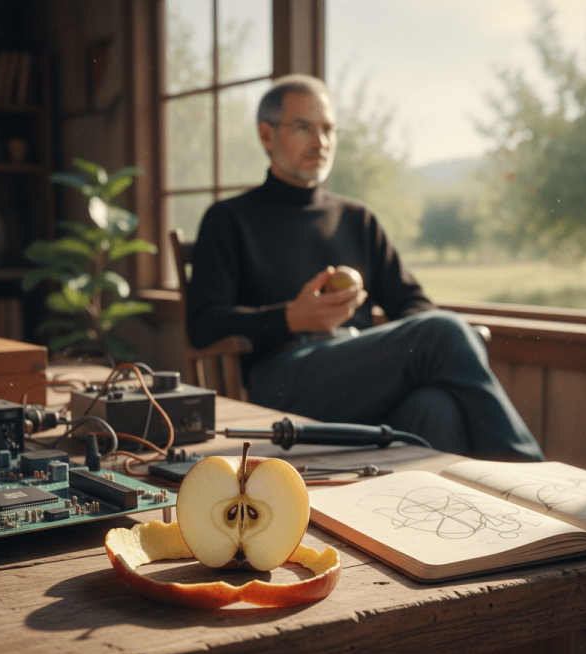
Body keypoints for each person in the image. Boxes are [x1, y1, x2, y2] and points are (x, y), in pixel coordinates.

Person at [187, 74, 543, 462]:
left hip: (362, 377)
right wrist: (290, 317)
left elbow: (413, 305)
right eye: (303, 127)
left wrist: (434, 344)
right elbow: (203, 325)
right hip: (284, 381)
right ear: (267, 136)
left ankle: (482, 515)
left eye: (328, 129)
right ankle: (532, 476)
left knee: (434, 406)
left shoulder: (357, 219)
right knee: (445, 331)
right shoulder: (229, 219)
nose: (321, 142)